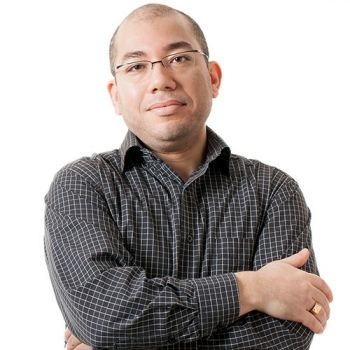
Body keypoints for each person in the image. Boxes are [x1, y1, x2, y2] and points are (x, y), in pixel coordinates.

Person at [44, 3, 333, 349]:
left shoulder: (274, 192)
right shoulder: (82, 185)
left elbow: (285, 336)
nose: (160, 81)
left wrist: (130, 338)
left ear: (212, 78)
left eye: (178, 59)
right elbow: (106, 317)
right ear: (116, 95)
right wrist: (255, 289)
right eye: (136, 66)